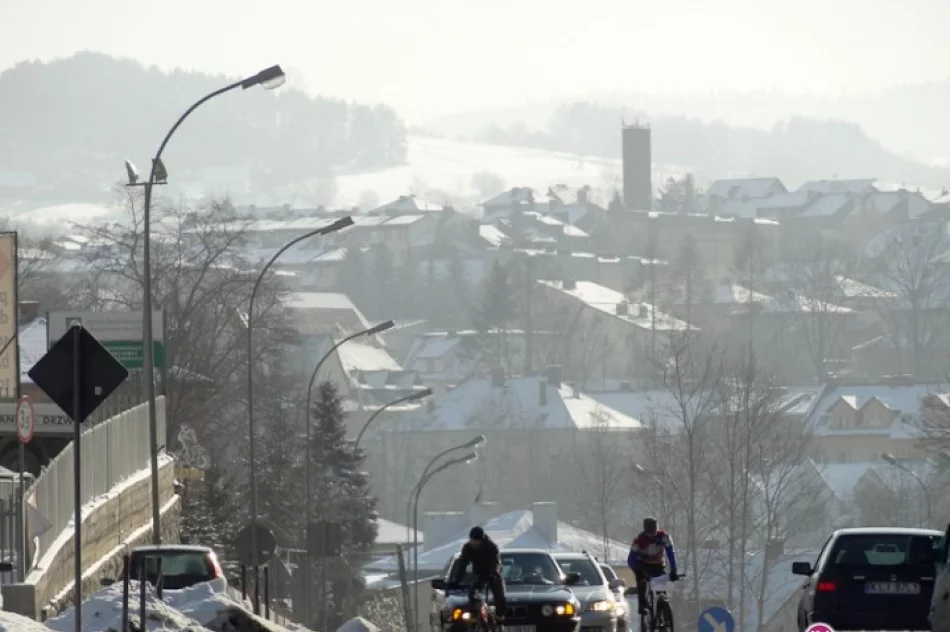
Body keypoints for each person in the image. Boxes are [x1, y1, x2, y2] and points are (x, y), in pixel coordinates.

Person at [449, 526, 507, 621]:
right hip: (480, 574)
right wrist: (456, 580)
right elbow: (462, 565)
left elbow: (496, 563)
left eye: (476, 540)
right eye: (472, 540)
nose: (474, 543)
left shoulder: (491, 547)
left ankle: (499, 618)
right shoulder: (467, 548)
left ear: (482, 540)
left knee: (501, 597)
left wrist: (493, 574)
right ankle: (476, 616)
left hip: (493, 574)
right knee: (472, 594)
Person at [627, 517, 679, 615]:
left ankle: (663, 609)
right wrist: (639, 571)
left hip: (658, 565)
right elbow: (630, 560)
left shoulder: (664, 537)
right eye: (649, 533)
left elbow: (671, 554)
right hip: (642, 566)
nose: (652, 535)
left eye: (654, 532)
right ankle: (642, 606)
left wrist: (674, 570)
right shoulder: (639, 541)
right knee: (642, 582)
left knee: (661, 586)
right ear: (645, 531)